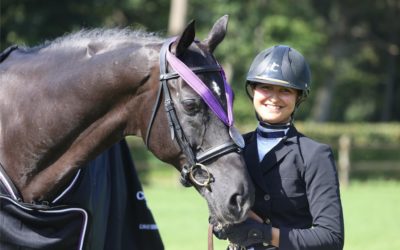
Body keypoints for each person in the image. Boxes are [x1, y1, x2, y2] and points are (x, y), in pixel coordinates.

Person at [214, 45, 344, 250]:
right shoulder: (235, 148)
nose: (274, 97)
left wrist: (262, 233)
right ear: (253, 90)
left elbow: (331, 237)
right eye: (266, 87)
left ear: (298, 97)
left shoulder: (314, 155)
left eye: (285, 90)